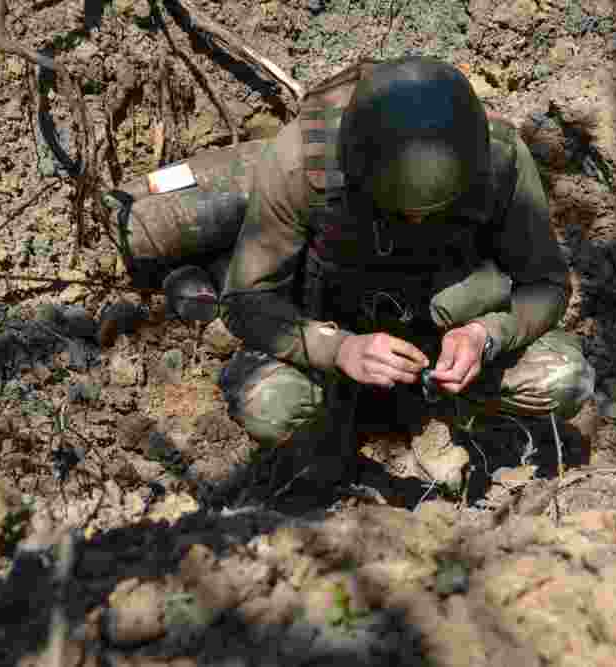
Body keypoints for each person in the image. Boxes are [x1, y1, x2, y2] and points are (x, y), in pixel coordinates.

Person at [210, 55, 595, 487]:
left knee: (567, 378)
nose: (417, 221)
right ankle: (332, 439)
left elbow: (545, 284)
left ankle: (450, 421)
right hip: (330, 348)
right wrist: (339, 348)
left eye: (435, 210)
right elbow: (245, 301)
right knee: (270, 404)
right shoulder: (300, 162)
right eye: (398, 210)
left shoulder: (499, 158)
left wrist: (485, 335)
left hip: (443, 357)